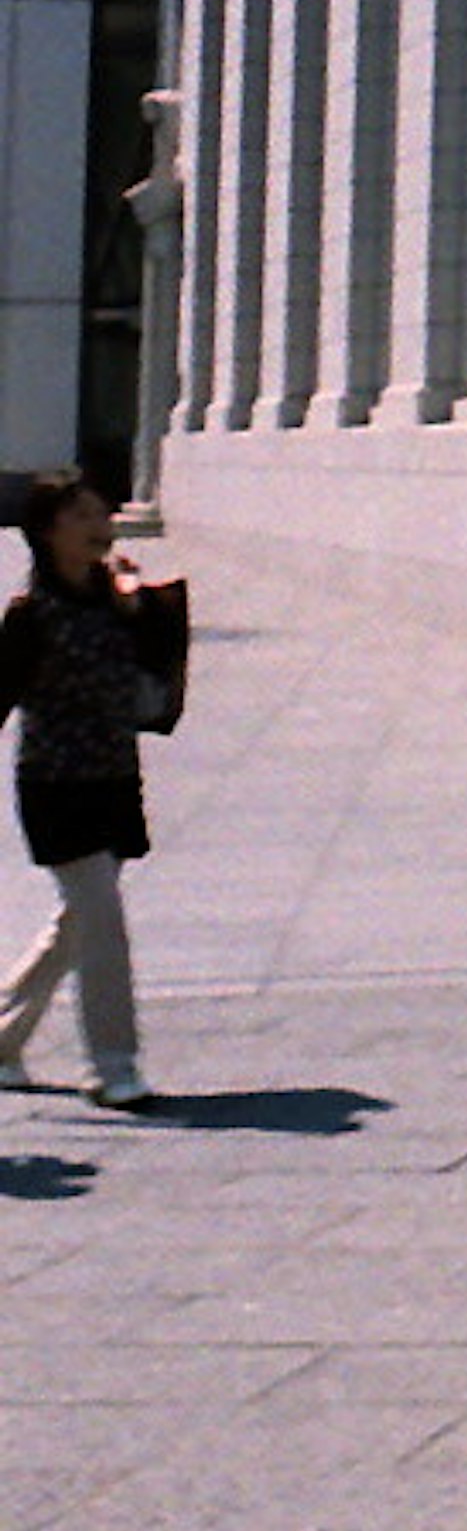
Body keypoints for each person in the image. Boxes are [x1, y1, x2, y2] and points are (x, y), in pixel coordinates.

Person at [0, 468, 188, 1115]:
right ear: (50, 532)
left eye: (98, 510)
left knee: (79, 921)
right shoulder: (29, 616)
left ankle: (2, 1039)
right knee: (103, 918)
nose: (98, 520)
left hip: (113, 778)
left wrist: (144, 607)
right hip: (56, 785)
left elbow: (161, 667)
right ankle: (113, 1064)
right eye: (81, 513)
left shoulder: (118, 597)